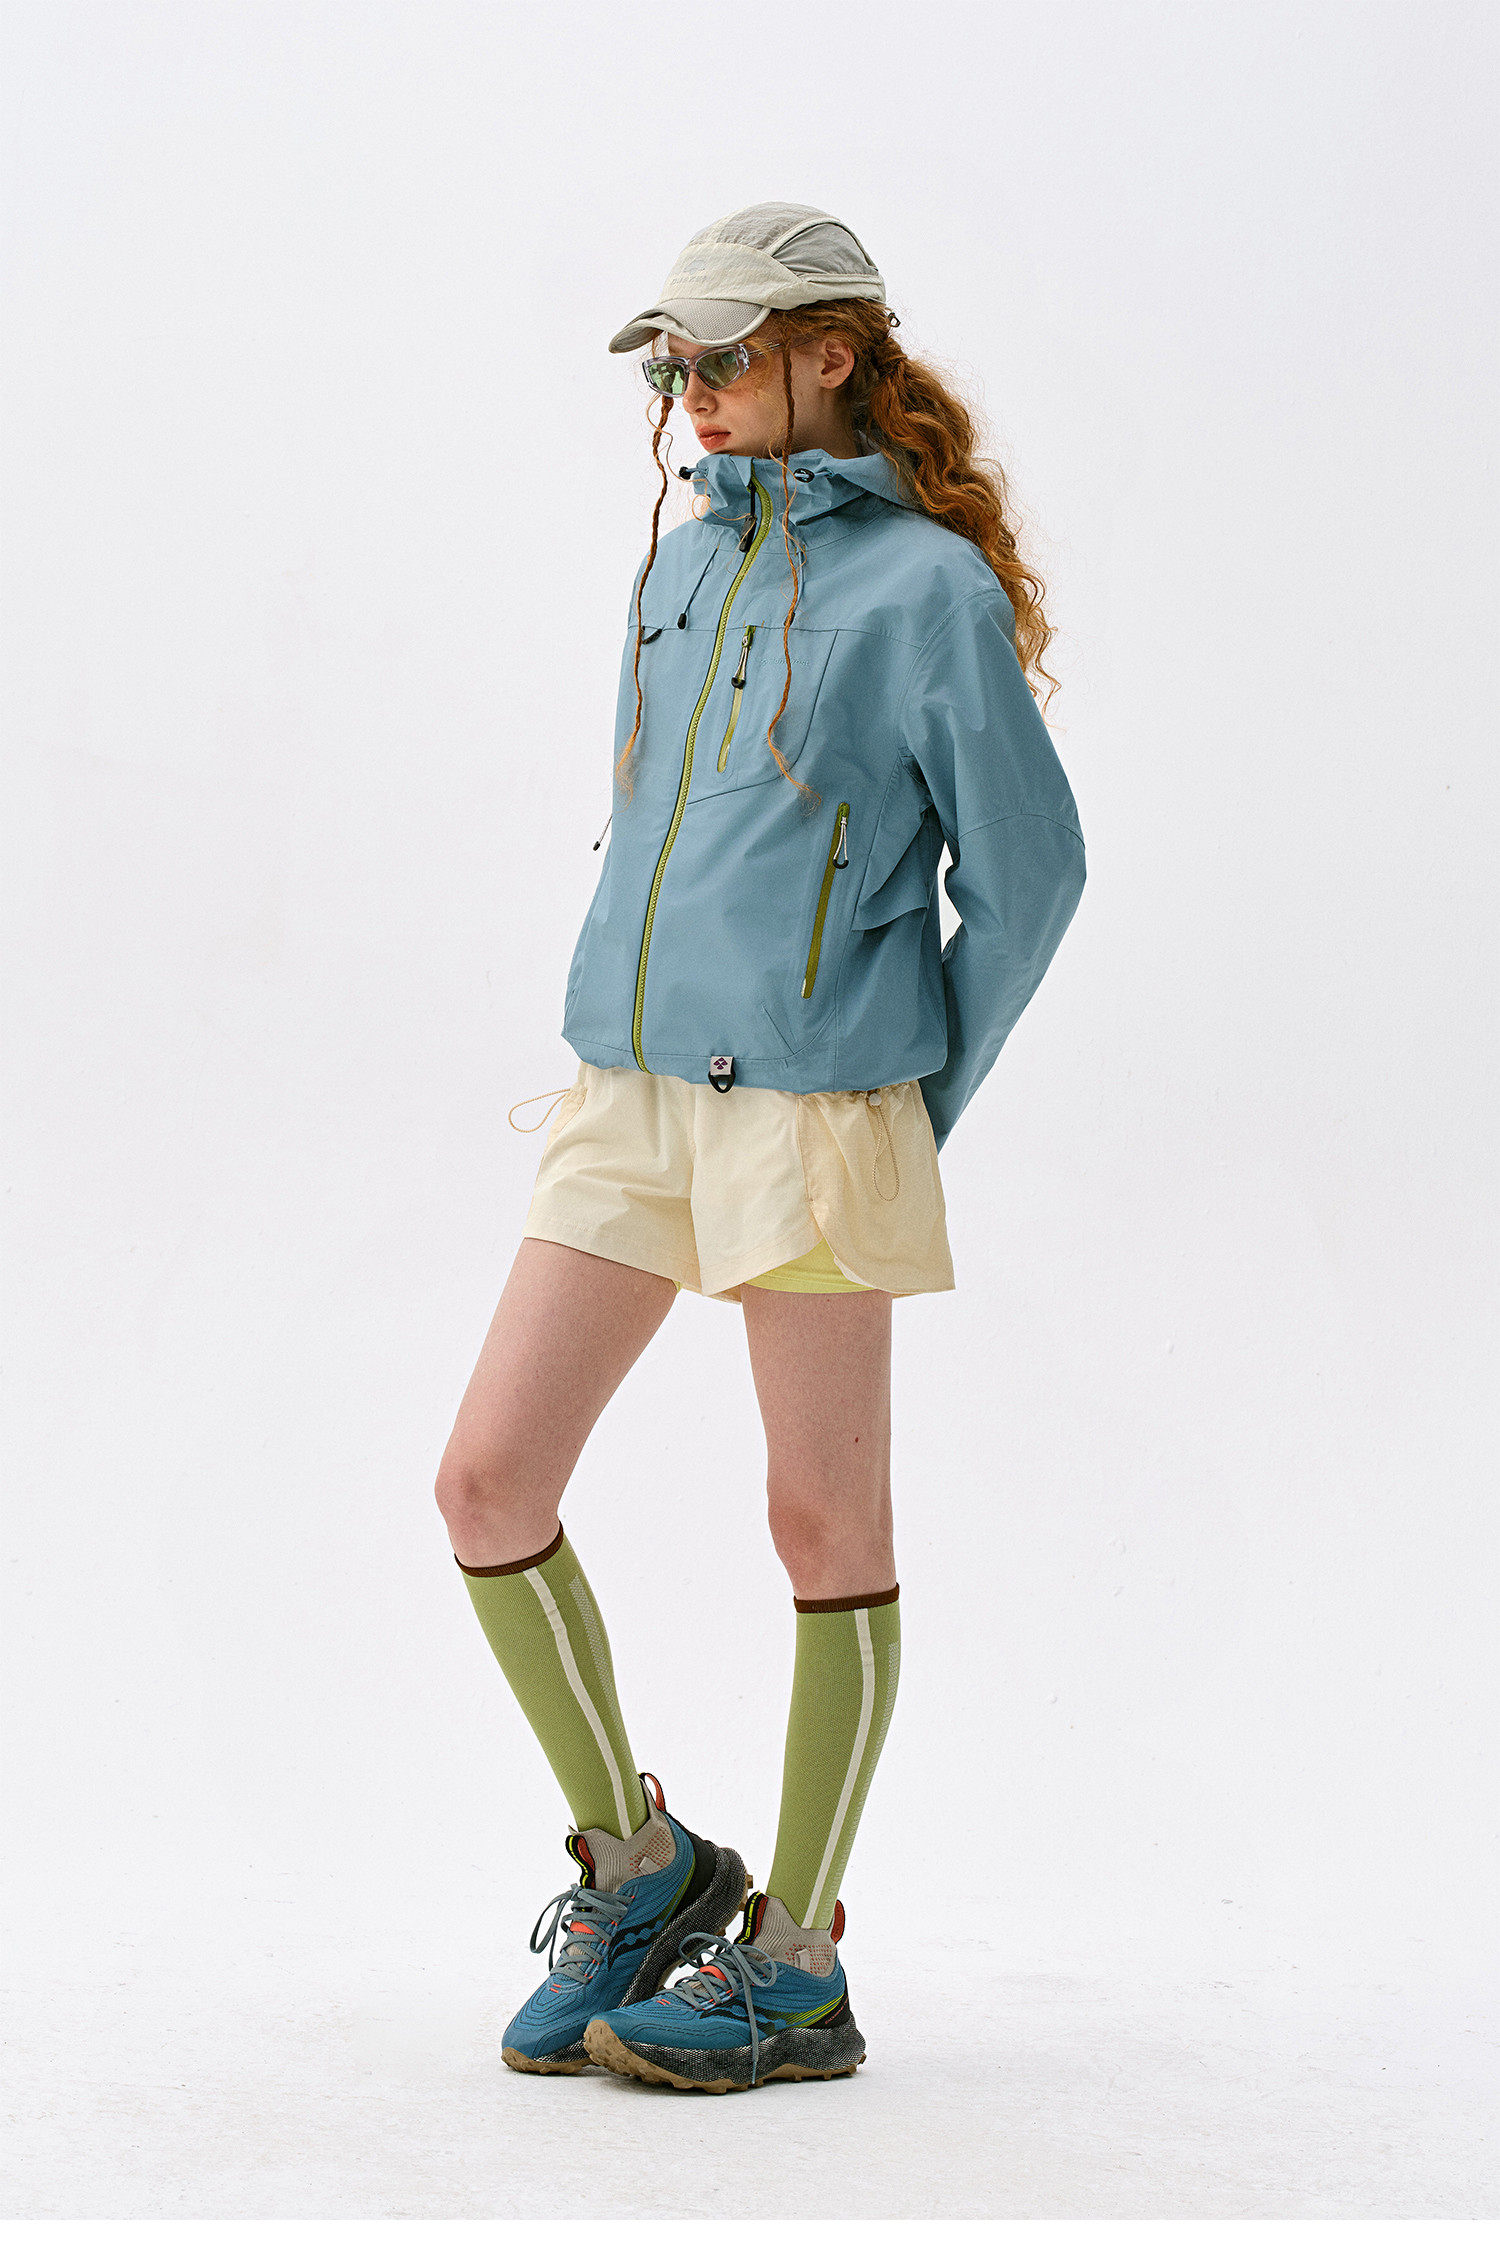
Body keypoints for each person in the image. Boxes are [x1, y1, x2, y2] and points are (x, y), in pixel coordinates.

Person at [435, 203, 1086, 2094]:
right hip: (631, 1091)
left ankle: (794, 1965)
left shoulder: (928, 592)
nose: (696, 391)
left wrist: (905, 1098)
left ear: (832, 351)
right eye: (678, 364)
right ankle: (641, 1869)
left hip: (818, 1109)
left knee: (823, 1527)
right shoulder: (682, 562)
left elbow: (1030, 877)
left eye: (725, 356)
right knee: (487, 1482)